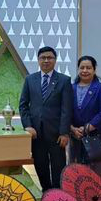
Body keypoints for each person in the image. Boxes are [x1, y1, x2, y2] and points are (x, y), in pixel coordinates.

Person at [19, 46, 73, 191]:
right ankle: (46, 192)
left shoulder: (64, 80)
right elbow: (23, 105)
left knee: (58, 167)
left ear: (55, 60)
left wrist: (64, 133)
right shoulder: (30, 79)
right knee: (40, 165)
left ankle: (57, 194)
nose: (46, 60)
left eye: (50, 58)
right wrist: (28, 126)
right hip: (36, 134)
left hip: (57, 134)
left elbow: (66, 109)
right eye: (43, 58)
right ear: (38, 60)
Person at [68, 55, 101, 185]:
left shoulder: (100, 88)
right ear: (78, 69)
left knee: (97, 175)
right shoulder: (71, 88)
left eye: (88, 68)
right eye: (82, 67)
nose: (85, 70)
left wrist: (87, 127)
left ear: (94, 70)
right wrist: (72, 129)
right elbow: (65, 111)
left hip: (96, 138)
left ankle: (97, 198)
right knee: (76, 175)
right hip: (76, 137)